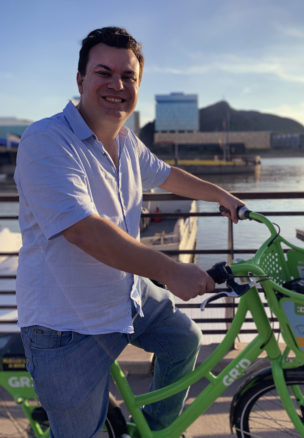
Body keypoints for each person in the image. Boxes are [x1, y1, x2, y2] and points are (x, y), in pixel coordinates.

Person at [14, 26, 243, 437]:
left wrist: (220, 195)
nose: (117, 84)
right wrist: (171, 270)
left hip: (126, 296)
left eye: (128, 76)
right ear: (80, 78)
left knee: (185, 339)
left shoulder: (127, 141)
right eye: (104, 72)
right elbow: (84, 230)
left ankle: (152, 429)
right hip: (67, 325)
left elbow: (168, 174)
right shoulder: (47, 140)